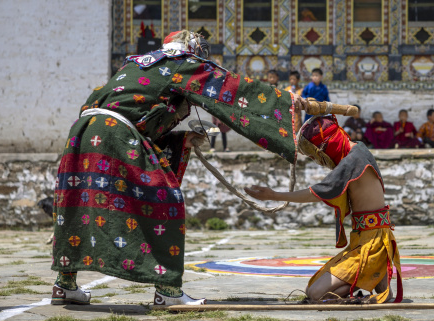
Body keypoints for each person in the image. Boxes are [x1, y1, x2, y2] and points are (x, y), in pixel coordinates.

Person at [51, 30, 308, 306]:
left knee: (76, 205)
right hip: (114, 134)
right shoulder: (180, 62)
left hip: (83, 132)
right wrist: (287, 102)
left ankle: (64, 284)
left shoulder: (137, 62)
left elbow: (136, 114)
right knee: (165, 201)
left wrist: (181, 139)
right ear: (191, 48)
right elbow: (233, 89)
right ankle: (168, 291)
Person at [245, 115, 402, 304]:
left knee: (315, 293)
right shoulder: (360, 149)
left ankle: (368, 280)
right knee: (314, 289)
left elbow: (317, 192)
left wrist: (275, 195)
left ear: (328, 145)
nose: (320, 161)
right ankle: (373, 281)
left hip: (373, 245)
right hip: (369, 239)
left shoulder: (353, 161)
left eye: (317, 155)